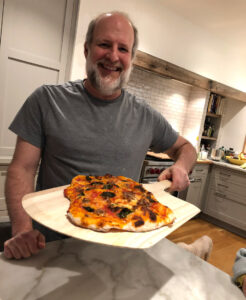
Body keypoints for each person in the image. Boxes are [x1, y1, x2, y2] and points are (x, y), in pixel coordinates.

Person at [4, 11, 199, 260]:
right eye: (104, 44)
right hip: (51, 246)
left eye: (123, 49)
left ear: (131, 58)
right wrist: (22, 231)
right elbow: (22, 168)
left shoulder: (146, 115)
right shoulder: (47, 99)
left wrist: (181, 166)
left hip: (121, 246)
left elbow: (186, 148)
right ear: (87, 50)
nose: (113, 56)